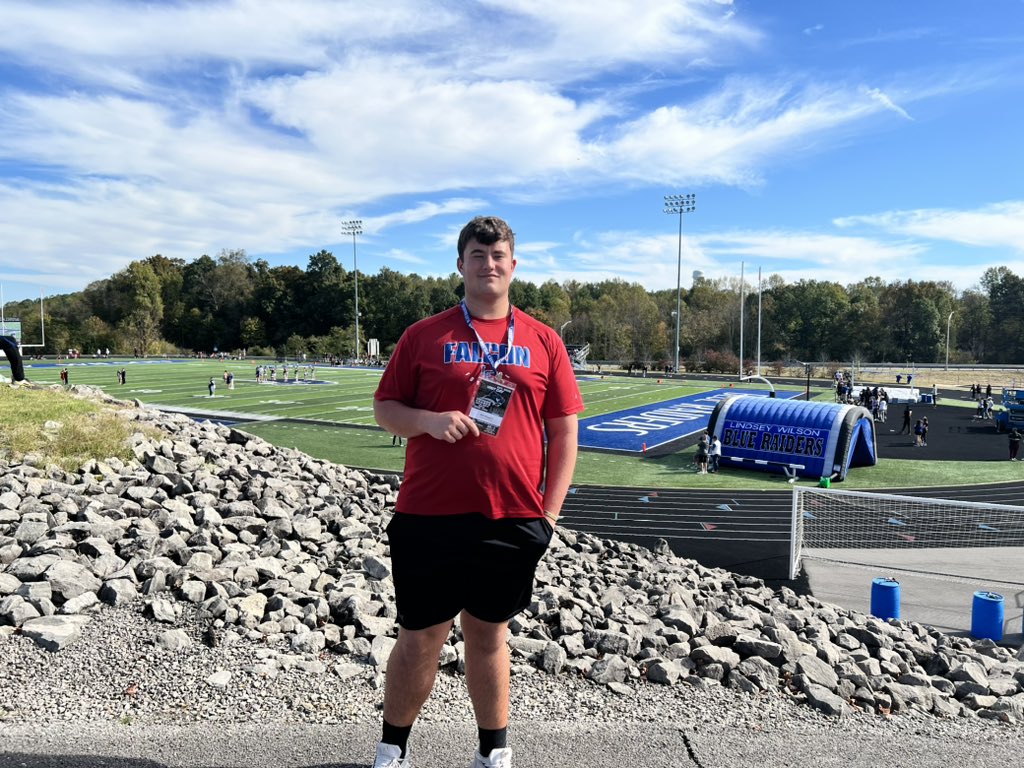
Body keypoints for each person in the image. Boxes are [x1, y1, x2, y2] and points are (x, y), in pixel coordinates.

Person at [371, 216, 583, 768]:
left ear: (513, 264)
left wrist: (550, 514)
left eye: (498, 255)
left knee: (490, 637)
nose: (488, 264)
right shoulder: (424, 334)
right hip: (429, 512)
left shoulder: (543, 339)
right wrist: (428, 420)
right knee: (419, 637)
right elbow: (385, 410)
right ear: (460, 263)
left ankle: (494, 753)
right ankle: (392, 750)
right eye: (477, 254)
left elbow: (563, 431)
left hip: (512, 516)